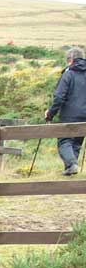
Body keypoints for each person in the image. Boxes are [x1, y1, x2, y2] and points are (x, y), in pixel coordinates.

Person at [45, 46, 86, 176]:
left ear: (70, 60)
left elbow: (59, 97)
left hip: (70, 115)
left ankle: (71, 165)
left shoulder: (68, 73)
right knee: (76, 143)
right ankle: (70, 170)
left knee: (64, 141)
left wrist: (50, 113)